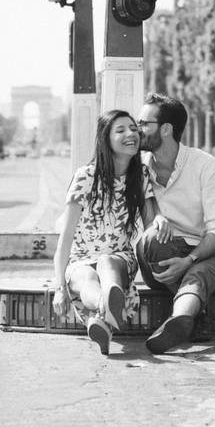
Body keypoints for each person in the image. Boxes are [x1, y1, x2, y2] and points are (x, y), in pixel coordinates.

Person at [51, 109, 168, 356]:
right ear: (106, 138)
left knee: (107, 262)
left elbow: (149, 222)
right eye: (121, 130)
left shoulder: (141, 175)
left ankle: (104, 309)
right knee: (84, 277)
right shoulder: (85, 176)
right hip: (81, 258)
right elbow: (67, 236)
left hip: (119, 257)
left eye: (134, 129)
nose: (131, 134)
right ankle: (105, 310)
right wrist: (59, 287)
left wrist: (159, 220)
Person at [135, 93, 215, 354]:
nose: (138, 128)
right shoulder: (139, 167)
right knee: (151, 240)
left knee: (199, 271)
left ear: (166, 129)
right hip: (160, 255)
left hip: (203, 254)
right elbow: (147, 222)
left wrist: (188, 260)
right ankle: (196, 314)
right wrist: (157, 218)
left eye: (144, 123)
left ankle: (181, 317)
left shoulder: (204, 165)